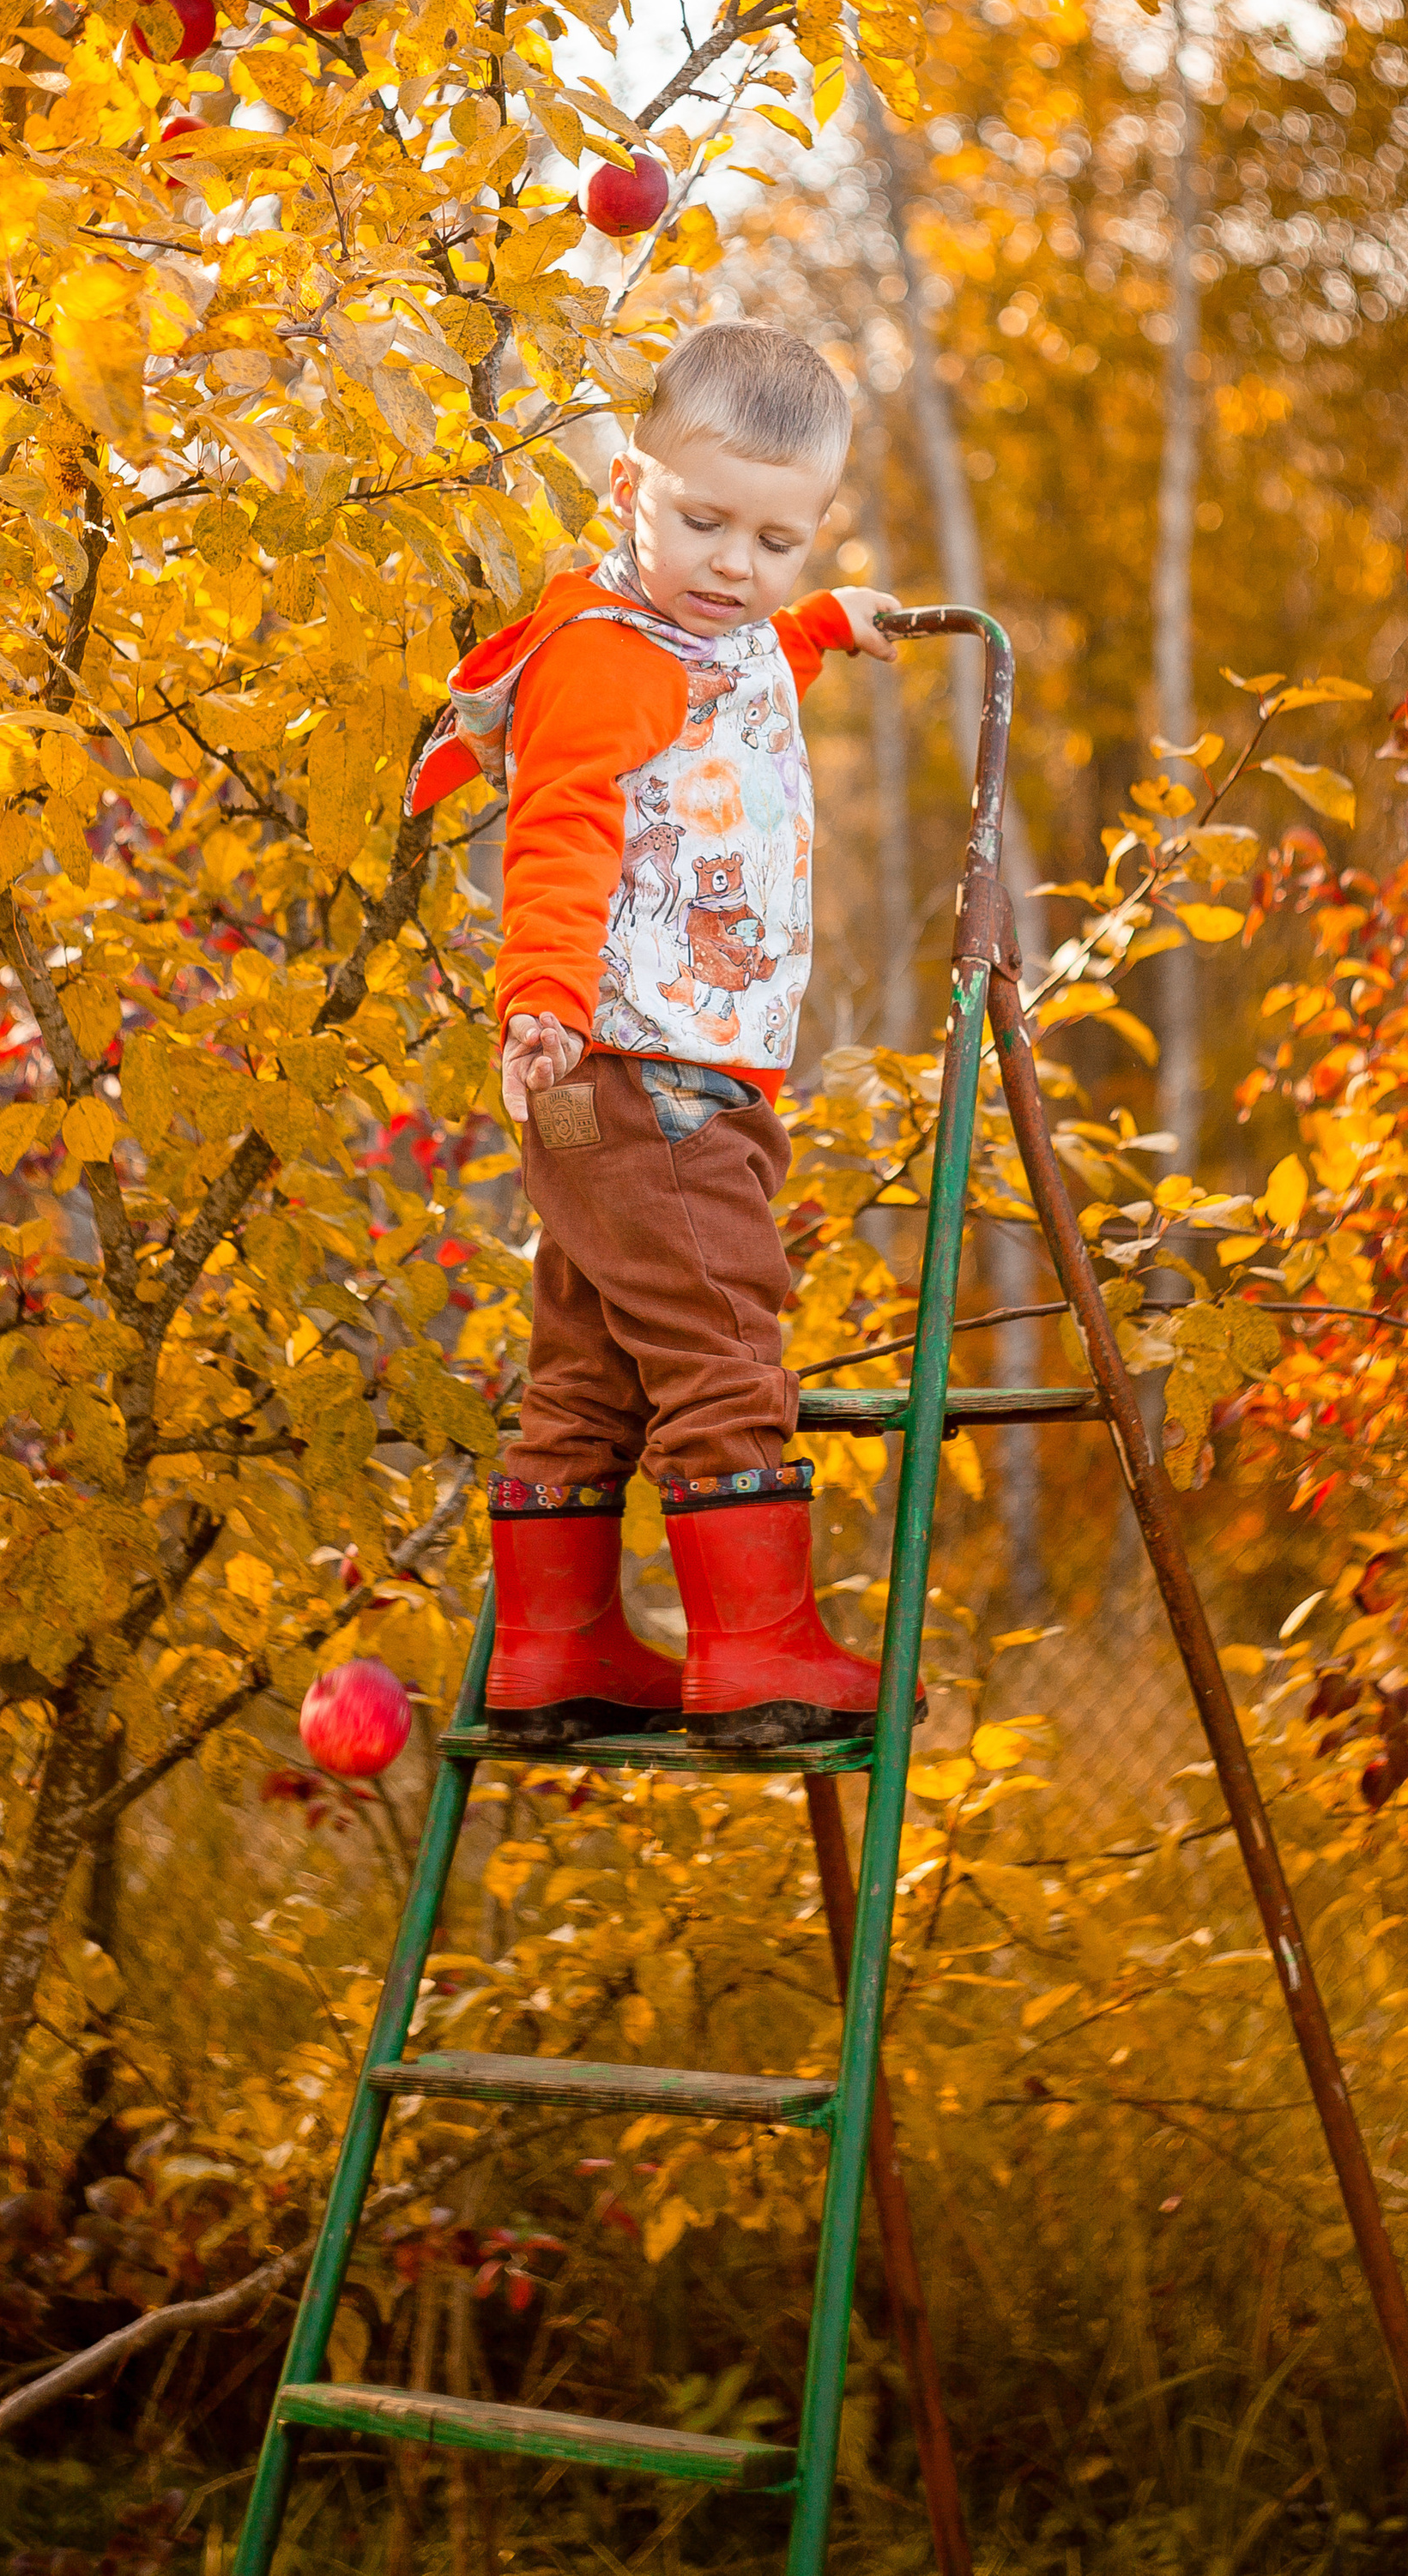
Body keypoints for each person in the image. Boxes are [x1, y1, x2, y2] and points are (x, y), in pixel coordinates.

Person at [408, 322, 901, 1750]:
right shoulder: (611, 657)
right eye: (702, 521)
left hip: (611, 1104)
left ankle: (557, 1650)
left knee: (595, 1360)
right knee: (725, 1342)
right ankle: (758, 1651)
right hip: (644, 1079)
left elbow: (731, 702)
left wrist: (824, 629)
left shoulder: (718, 638)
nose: (738, 565)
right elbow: (561, 835)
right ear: (629, 488)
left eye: (778, 541)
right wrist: (545, 1000)